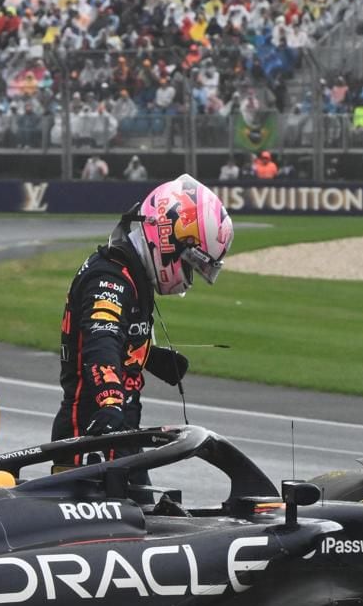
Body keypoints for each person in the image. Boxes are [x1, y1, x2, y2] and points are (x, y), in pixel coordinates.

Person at [52, 175, 233, 446]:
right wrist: (111, 402)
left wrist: (150, 357)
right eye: (189, 264)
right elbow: (101, 341)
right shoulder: (110, 279)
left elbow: (119, 338)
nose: (187, 276)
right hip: (90, 435)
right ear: (167, 237)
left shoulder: (132, 275)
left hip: (121, 430)